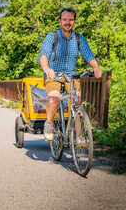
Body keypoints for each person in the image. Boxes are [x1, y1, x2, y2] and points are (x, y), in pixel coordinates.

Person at [37, 8, 102, 145]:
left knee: (77, 104)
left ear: (74, 21)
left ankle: (79, 137)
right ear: (60, 21)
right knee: (54, 98)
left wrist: (95, 67)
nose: (68, 22)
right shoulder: (52, 37)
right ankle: (49, 124)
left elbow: (88, 55)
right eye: (65, 19)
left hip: (72, 77)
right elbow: (43, 55)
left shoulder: (79, 38)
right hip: (54, 75)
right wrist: (47, 68)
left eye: (70, 20)